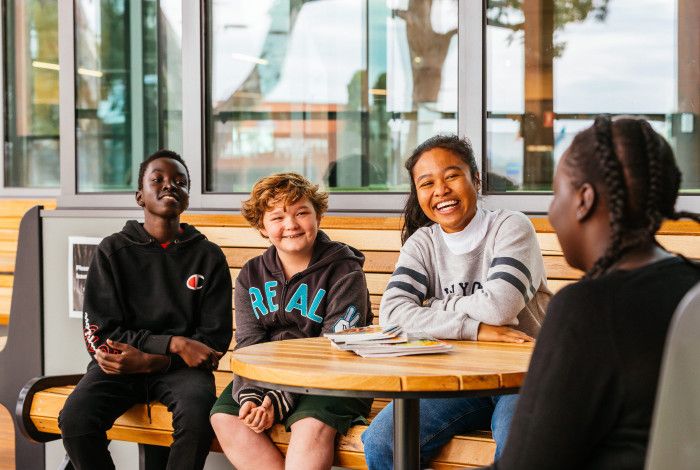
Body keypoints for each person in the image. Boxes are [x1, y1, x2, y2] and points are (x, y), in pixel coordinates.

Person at [484, 116, 700, 469]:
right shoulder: (692, 284)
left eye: (557, 195)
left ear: (584, 199)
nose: (553, 213)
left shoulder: (589, 309)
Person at [362, 134, 551, 469]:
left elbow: (499, 308)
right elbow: (391, 316)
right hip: (454, 379)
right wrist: (475, 328)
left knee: (519, 449)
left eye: (451, 176)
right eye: (427, 182)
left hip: (523, 377)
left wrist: (430, 306)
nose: (441, 190)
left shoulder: (510, 227)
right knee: (383, 442)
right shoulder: (422, 243)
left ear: (475, 180)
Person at [58, 150, 233, 470]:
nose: (170, 186)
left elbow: (213, 341)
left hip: (183, 372)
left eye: (180, 182)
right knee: (76, 420)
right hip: (121, 365)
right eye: (158, 180)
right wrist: (174, 344)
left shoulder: (209, 257)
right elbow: (101, 331)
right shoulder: (112, 250)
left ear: (188, 199)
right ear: (140, 196)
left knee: (197, 421)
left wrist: (155, 359)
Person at [210, 173, 373, 470]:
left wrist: (277, 398)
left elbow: (331, 348)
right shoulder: (251, 275)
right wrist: (253, 397)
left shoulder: (344, 271)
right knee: (226, 417)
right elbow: (249, 344)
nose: (291, 225)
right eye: (277, 217)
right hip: (267, 379)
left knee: (309, 426)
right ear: (262, 226)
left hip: (335, 379)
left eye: (302, 213)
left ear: (318, 216)